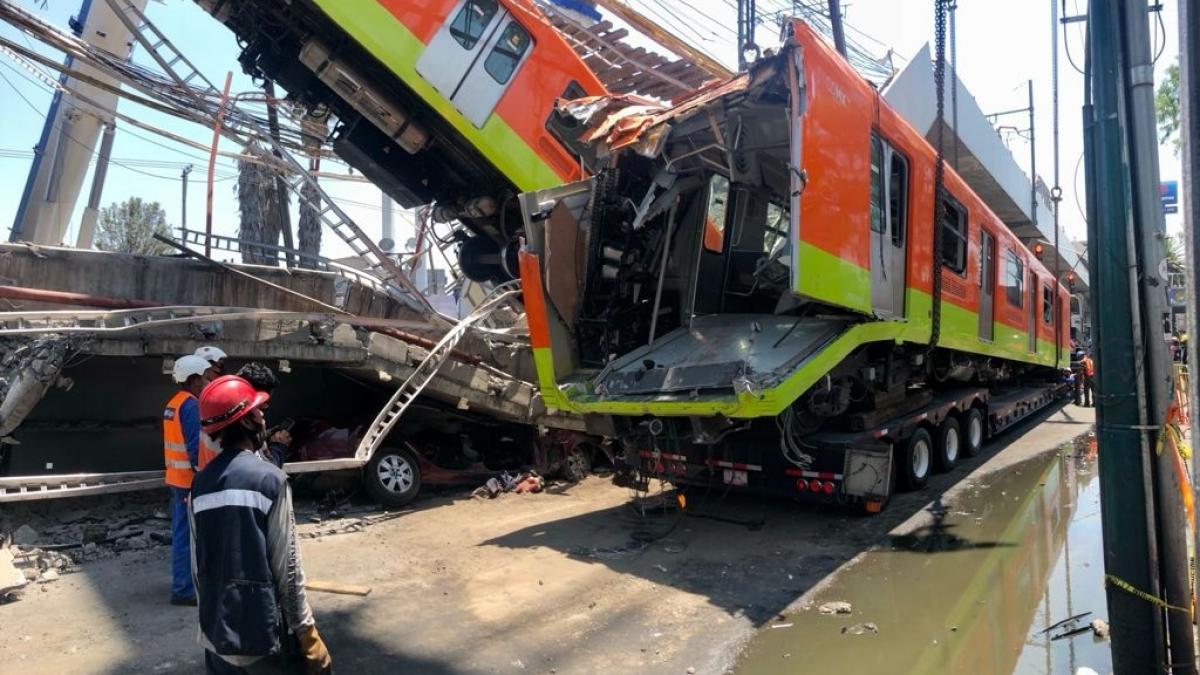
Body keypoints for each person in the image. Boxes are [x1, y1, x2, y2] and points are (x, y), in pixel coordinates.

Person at [192, 375, 333, 674]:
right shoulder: (269, 480)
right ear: (245, 422)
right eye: (258, 411)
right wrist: (306, 631)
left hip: (216, 636)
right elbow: (288, 567)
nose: (263, 416)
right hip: (261, 636)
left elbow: (197, 568)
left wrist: (209, 626)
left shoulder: (200, 484)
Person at [163, 354, 212, 606]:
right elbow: (195, 447)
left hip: (176, 478)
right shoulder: (191, 405)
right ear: (193, 380)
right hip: (188, 481)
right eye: (204, 378)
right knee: (186, 536)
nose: (206, 382)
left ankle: (186, 583)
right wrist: (205, 475)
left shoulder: (173, 403)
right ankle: (183, 589)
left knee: (182, 533)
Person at [235, 362, 291, 469]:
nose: (264, 409)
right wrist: (279, 446)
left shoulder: (222, 418)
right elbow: (267, 472)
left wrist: (263, 434)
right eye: (263, 401)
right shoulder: (242, 435)